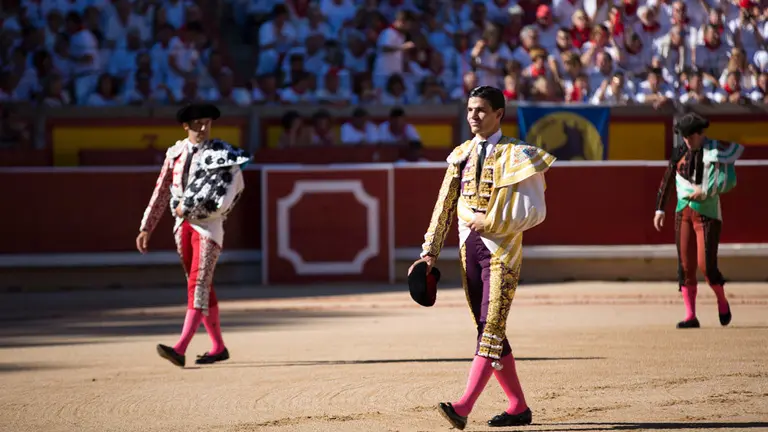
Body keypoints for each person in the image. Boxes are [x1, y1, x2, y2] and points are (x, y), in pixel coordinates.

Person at [410, 86, 556, 429]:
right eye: (470, 110)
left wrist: (489, 221)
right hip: (468, 250)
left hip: (501, 250)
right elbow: (444, 205)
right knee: (487, 328)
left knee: (490, 328)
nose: (473, 116)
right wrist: (428, 254)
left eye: (480, 111)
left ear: (498, 114)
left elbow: (536, 212)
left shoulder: (518, 154)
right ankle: (518, 405)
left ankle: (462, 407)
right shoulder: (460, 155)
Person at [135, 103, 251, 367]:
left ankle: (180, 346)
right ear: (185, 125)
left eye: (207, 122)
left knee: (198, 283)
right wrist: (146, 227)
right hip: (181, 226)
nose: (203, 127)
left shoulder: (222, 154)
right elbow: (162, 191)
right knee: (201, 284)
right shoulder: (174, 153)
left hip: (209, 227)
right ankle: (218, 346)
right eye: (197, 123)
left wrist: (213, 212)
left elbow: (234, 190)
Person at [654, 112, 744, 329]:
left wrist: (704, 191)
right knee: (685, 265)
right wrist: (659, 209)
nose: (686, 140)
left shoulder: (715, 150)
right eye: (684, 137)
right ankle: (690, 315)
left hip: (708, 215)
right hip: (682, 212)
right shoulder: (679, 152)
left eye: (689, 136)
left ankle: (722, 301)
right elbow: (668, 179)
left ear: (698, 134)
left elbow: (728, 180)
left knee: (706, 267)